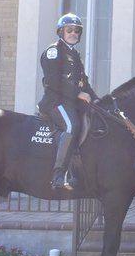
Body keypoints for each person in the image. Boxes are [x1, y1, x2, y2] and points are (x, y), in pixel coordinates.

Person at [39, 13, 96, 190]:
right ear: (61, 32)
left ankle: (79, 171)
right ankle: (58, 176)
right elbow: (53, 80)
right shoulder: (53, 51)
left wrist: (96, 98)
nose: (73, 33)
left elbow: (83, 81)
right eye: (69, 30)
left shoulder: (75, 54)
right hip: (55, 101)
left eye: (76, 31)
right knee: (72, 126)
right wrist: (79, 94)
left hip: (71, 102)